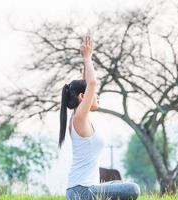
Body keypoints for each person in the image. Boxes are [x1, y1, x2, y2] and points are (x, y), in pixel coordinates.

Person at [59, 36, 140, 200]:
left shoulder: (80, 118)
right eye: (92, 94)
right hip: (82, 192)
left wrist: (85, 61)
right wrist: (87, 57)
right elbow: (92, 83)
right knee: (133, 189)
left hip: (85, 190)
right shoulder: (79, 118)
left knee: (118, 183)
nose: (96, 97)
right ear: (83, 97)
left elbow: (86, 82)